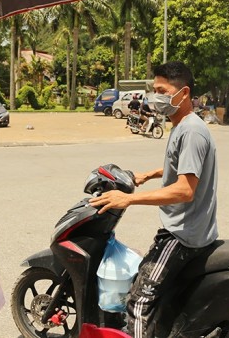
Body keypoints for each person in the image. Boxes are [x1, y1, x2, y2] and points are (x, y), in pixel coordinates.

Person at [90, 61, 218, 338]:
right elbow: (185, 166)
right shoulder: (184, 125)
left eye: (162, 90)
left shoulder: (191, 131)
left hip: (182, 236)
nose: (155, 97)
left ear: (183, 93)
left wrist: (128, 200)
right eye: (154, 90)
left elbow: (185, 190)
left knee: (139, 302)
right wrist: (149, 174)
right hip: (190, 228)